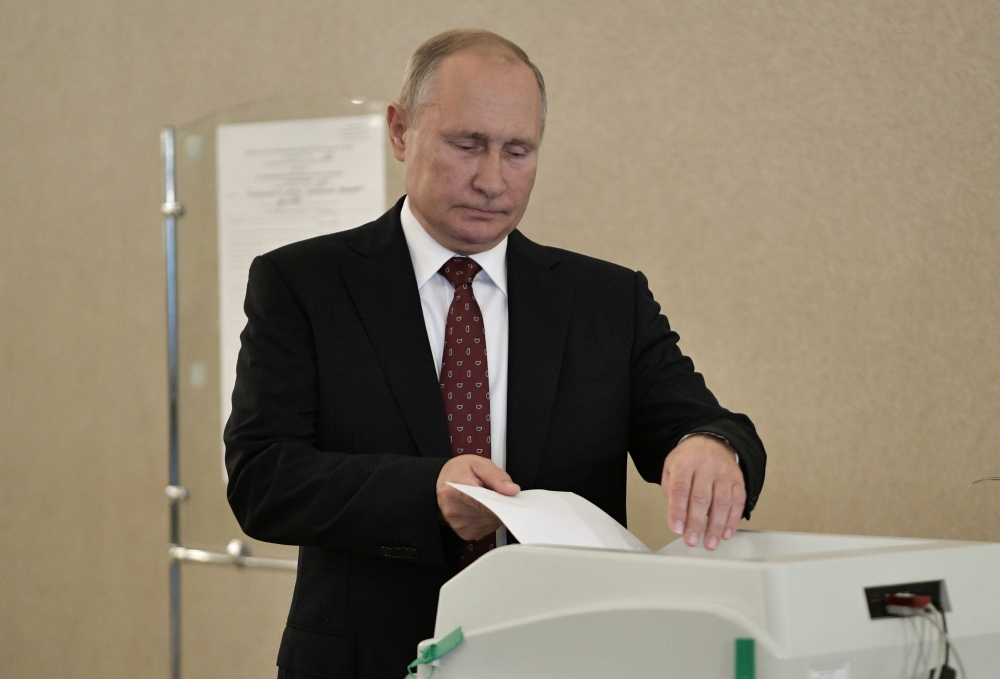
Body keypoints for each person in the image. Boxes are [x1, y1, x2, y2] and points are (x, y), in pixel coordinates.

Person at [225, 28, 765, 679]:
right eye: (467, 144)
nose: (492, 179)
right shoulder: (305, 284)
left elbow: (704, 424)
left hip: (564, 658)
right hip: (366, 658)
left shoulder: (605, 301)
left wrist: (712, 447)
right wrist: (427, 491)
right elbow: (264, 478)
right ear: (400, 131)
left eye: (518, 151)